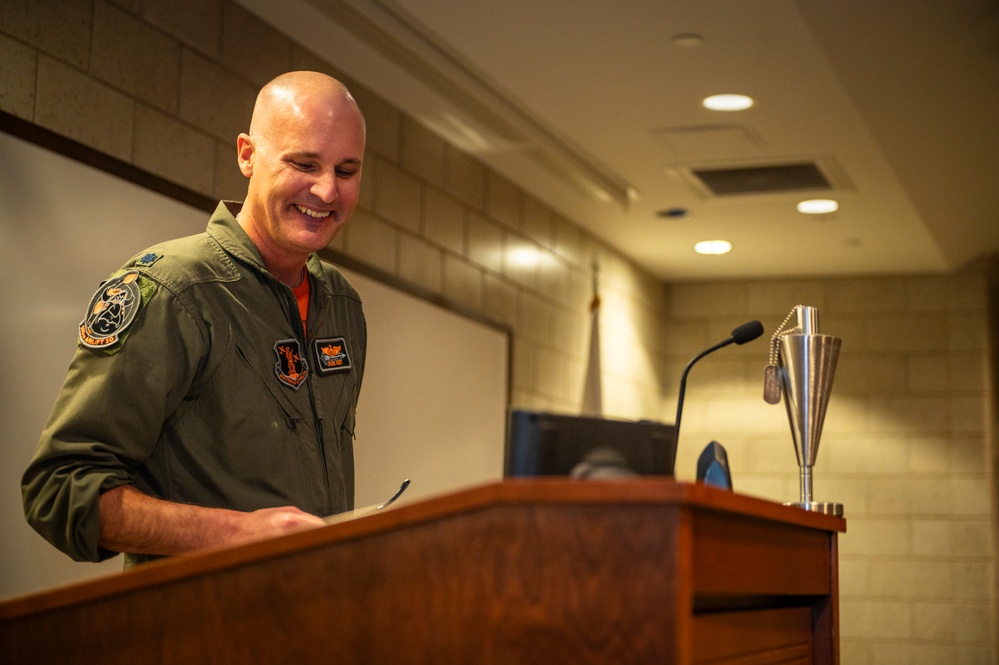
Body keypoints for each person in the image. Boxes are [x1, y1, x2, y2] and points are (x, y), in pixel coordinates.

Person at [22, 71, 368, 566]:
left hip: (309, 622)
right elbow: (58, 489)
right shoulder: (174, 291)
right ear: (247, 155)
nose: (327, 191)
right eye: (304, 163)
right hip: (191, 630)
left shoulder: (343, 305)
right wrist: (234, 532)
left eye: (347, 170)